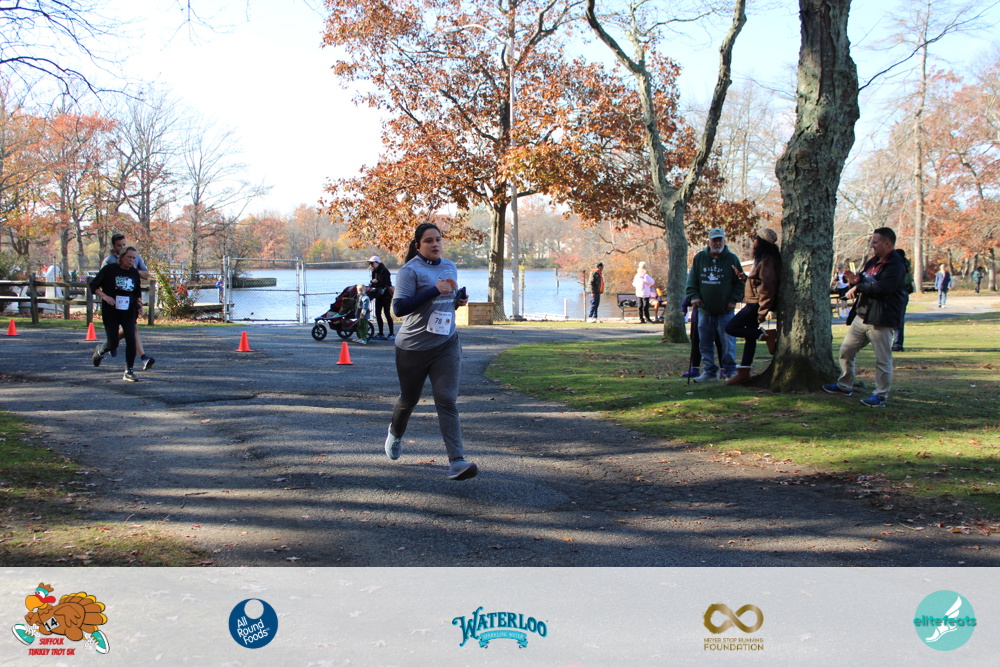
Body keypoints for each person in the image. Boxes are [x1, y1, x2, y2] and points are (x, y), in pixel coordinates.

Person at [384, 222, 477, 481]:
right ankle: (395, 433)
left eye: (438, 239)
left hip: (446, 343)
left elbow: (445, 305)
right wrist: (434, 290)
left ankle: (457, 461)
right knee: (409, 399)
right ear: (418, 245)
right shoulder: (409, 271)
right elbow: (399, 309)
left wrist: (458, 301)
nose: (435, 244)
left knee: (446, 400)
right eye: (428, 240)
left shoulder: (450, 266)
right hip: (413, 347)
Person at [823, 227, 906, 408]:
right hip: (862, 316)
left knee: (883, 359)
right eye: (872, 242)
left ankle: (880, 396)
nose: (872, 245)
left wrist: (859, 286)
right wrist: (855, 281)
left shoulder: (895, 265)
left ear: (887, 244)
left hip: (881, 319)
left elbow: (883, 289)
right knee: (846, 351)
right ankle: (844, 386)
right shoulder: (872, 262)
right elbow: (864, 280)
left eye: (875, 242)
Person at [685, 227, 743, 382]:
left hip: (726, 310)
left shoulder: (732, 259)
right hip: (704, 310)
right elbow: (692, 281)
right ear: (709, 241)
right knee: (704, 343)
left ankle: (729, 371)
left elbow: (740, 283)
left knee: (728, 343)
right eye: (714, 240)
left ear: (724, 240)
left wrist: (733, 300)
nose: (717, 243)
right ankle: (710, 372)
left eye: (720, 240)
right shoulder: (699, 258)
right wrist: (694, 297)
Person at [724, 228, 781, 385]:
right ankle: (744, 372)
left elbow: (768, 287)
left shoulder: (767, 261)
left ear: (761, 242)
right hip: (754, 302)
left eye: (755, 239)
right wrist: (746, 279)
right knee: (750, 338)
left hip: (755, 305)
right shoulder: (764, 260)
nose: (753, 242)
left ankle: (765, 335)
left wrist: (762, 311)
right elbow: (759, 283)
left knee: (731, 328)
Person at [90, 247, 142, 382]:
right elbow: (93, 286)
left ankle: (129, 371)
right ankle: (100, 351)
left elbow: (137, 291)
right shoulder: (109, 270)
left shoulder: (134, 273)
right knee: (113, 343)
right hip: (111, 310)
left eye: (134, 258)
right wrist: (105, 296)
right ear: (121, 257)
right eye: (129, 257)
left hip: (128, 311)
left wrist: (139, 303)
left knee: (131, 339)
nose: (131, 260)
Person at [104, 233, 154, 371]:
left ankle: (143, 358)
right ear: (113, 246)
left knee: (133, 329)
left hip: (130, 300)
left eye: (124, 244)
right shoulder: (109, 261)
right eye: (119, 245)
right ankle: (110, 344)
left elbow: (146, 274)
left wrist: (132, 270)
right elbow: (101, 282)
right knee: (126, 331)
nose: (122, 247)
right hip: (113, 303)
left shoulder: (134, 258)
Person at [892, 249, 915, 352]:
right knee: (899, 319)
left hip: (898, 294)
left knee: (896, 320)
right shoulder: (905, 265)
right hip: (903, 294)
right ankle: (897, 342)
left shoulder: (898, 266)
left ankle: (897, 343)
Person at [367, 255, 395, 340]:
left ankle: (391, 333)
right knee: (377, 313)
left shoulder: (384, 271)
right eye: (370, 263)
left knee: (387, 313)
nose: (371, 265)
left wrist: (376, 282)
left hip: (386, 295)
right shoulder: (374, 272)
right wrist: (373, 283)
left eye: (372, 263)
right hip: (378, 294)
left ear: (377, 262)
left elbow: (385, 283)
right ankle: (381, 333)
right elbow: (373, 283)